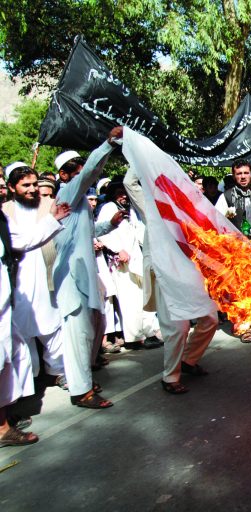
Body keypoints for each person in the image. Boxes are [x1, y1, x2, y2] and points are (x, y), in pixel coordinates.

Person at [120, 129, 219, 395]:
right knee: (177, 327)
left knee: (210, 318)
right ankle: (170, 377)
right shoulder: (153, 206)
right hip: (165, 274)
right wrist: (142, 152)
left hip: (189, 275)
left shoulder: (193, 214)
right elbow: (130, 182)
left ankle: (189, 360)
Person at [0, 176, 70, 447]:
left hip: (6, 302)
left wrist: (53, 219)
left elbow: (24, 240)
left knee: (11, 356)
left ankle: (5, 420)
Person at [53, 136, 122, 409]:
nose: (83, 174)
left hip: (85, 277)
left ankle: (84, 382)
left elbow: (89, 232)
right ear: (64, 174)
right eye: (77, 169)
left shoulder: (79, 201)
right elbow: (92, 172)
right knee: (78, 337)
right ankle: (81, 392)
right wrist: (108, 144)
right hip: (72, 278)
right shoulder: (68, 193)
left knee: (88, 334)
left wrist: (110, 224)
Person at [97, 180, 162, 350]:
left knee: (143, 298)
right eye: (119, 193)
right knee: (129, 301)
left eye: (125, 192)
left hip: (136, 259)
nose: (124, 196)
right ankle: (134, 338)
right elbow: (102, 233)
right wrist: (118, 249)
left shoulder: (130, 210)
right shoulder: (109, 208)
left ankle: (148, 333)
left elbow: (138, 232)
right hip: (121, 263)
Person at [215, 159, 251, 236]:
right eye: (239, 174)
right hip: (237, 242)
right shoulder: (226, 197)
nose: (243, 176)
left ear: (250, 174)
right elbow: (216, 222)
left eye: (246, 173)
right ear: (233, 176)